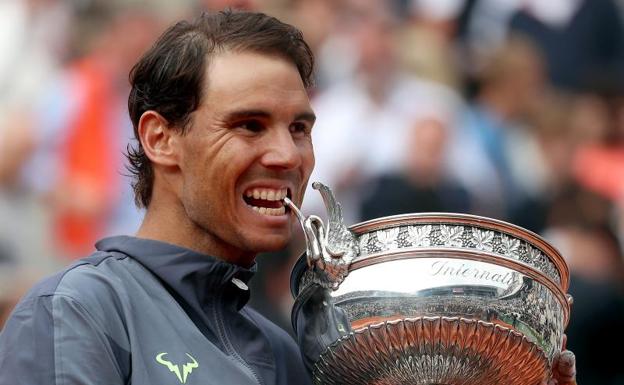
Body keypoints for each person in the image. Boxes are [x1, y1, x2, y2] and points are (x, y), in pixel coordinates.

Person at [0, 10, 576, 385]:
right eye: (249, 125)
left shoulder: (290, 353)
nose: (288, 156)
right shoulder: (78, 311)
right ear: (160, 138)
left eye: (300, 128)